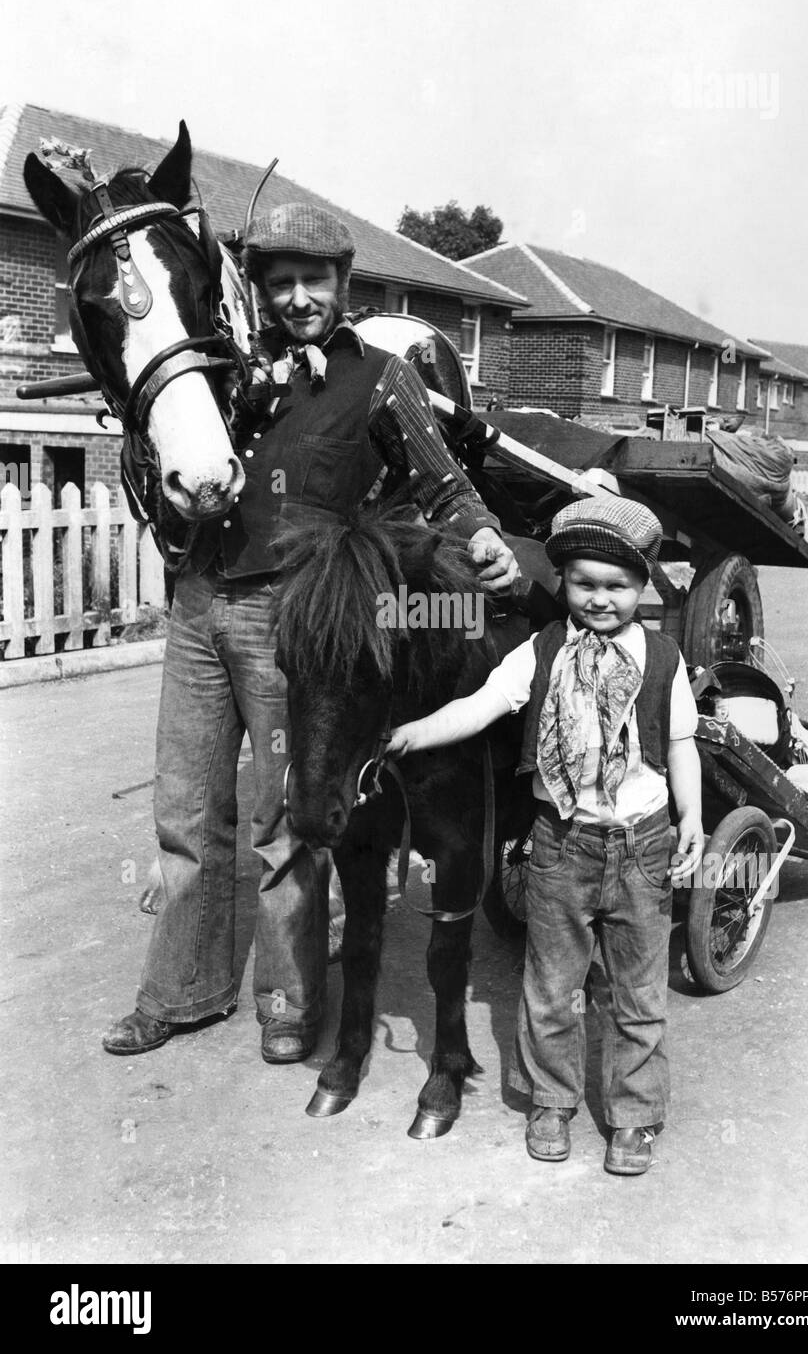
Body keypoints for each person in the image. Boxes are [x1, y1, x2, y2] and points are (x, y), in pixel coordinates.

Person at [102, 202, 519, 1064]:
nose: (297, 299)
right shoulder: (216, 372)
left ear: (343, 287)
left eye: (314, 282)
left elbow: (444, 485)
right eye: (280, 282)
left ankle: (289, 1001)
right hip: (196, 603)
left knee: (288, 816)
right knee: (186, 811)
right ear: (256, 290)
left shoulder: (380, 375)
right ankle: (181, 989)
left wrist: (480, 534)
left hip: (290, 621)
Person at [386, 497, 704, 1174]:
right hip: (561, 845)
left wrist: (694, 821)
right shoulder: (540, 652)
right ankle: (553, 1101)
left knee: (638, 996)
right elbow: (478, 709)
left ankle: (634, 1117)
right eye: (584, 584)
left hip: (643, 847)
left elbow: (681, 749)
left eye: (617, 586)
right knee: (551, 989)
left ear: (643, 587)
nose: (600, 600)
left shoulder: (664, 658)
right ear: (562, 584)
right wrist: (411, 734)